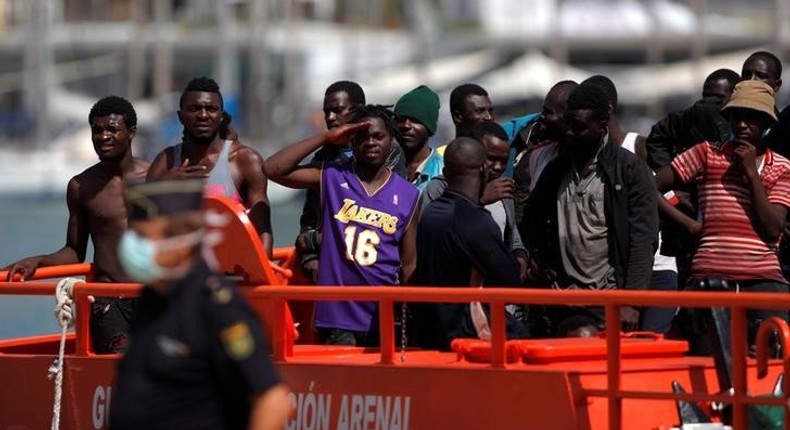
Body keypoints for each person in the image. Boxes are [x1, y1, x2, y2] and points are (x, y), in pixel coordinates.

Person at [109, 179, 290, 430]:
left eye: (143, 238)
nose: (132, 247)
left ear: (182, 241)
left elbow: (273, 401)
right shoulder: (153, 299)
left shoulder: (217, 307)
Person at [3, 96, 149, 354]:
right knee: (120, 368)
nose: (103, 137)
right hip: (108, 302)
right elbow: (74, 250)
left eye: (112, 129)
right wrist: (37, 261)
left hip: (152, 297)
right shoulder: (81, 186)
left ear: (131, 133)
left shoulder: (156, 178)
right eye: (97, 130)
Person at [265, 105, 419, 346]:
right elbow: (272, 169)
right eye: (362, 137)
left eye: (378, 136)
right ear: (351, 141)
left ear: (391, 141)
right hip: (337, 316)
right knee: (344, 383)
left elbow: (409, 263)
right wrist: (326, 137)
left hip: (383, 314)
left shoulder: (408, 194)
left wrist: (409, 313)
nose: (370, 143)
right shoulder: (333, 176)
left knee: (378, 384)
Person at [656, 80, 790, 348]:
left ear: (765, 124)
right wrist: (689, 224)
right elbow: (650, 186)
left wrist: (751, 173)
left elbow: (773, 228)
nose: (742, 124)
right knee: (706, 366)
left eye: (751, 118)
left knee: (767, 371)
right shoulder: (706, 154)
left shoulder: (782, 167)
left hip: (762, 281)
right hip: (710, 276)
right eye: (737, 116)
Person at [522, 83, 657, 337]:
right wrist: (539, 257)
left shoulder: (628, 171)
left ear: (602, 126)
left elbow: (643, 239)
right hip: (563, 298)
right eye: (569, 124)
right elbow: (531, 220)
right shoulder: (556, 170)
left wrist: (632, 302)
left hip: (610, 298)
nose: (571, 133)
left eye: (580, 127)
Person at [412, 137, 528, 350]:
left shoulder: (431, 212)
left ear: (446, 174)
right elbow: (510, 280)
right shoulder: (476, 220)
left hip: (431, 334)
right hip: (470, 334)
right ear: (484, 170)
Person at [146, 77, 274, 257]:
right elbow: (142, 226)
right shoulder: (164, 161)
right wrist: (165, 186)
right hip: (181, 275)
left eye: (211, 109)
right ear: (180, 116)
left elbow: (263, 231)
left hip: (232, 275)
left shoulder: (245, 160)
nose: (203, 115)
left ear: (221, 116)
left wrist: (264, 278)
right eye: (194, 109)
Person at [295, 81, 406, 282]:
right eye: (326, 112)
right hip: (332, 267)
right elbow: (310, 215)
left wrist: (321, 239)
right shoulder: (324, 157)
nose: (330, 118)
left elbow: (380, 209)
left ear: (358, 111)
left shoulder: (387, 152)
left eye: (337, 111)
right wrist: (309, 255)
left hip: (373, 265)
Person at [421, 121, 528, 282]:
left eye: (503, 160)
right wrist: (481, 201)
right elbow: (430, 243)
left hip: (496, 302)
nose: (498, 167)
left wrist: (520, 256)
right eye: (491, 158)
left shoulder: (504, 188)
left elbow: (513, 236)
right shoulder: (439, 188)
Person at [646, 68, 741, 171]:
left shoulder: (746, 122)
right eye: (707, 96)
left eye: (719, 97)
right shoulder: (691, 115)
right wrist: (668, 171)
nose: (710, 102)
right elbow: (658, 137)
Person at [394, 85, 444, 190]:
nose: (406, 125)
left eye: (415, 120)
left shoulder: (444, 171)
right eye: (401, 119)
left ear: (429, 129)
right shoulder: (383, 166)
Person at [436, 83, 496, 156]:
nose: (488, 117)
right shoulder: (439, 159)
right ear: (458, 116)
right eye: (480, 111)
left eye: (490, 111)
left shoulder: (501, 155)